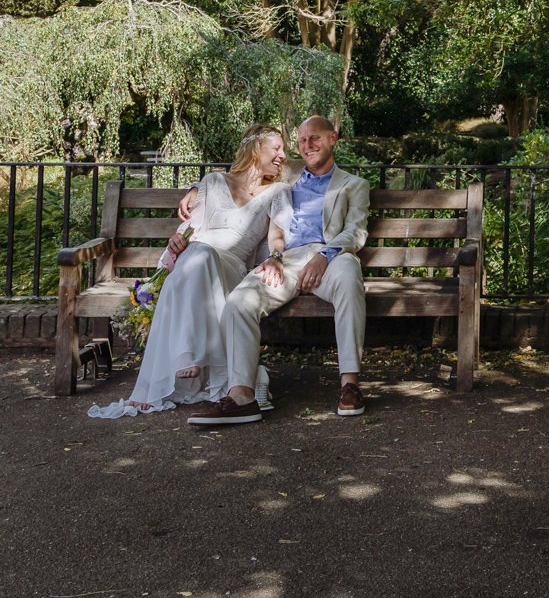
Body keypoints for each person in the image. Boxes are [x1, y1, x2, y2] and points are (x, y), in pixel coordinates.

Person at [88, 125, 289, 419]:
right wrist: (177, 240)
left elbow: (277, 235)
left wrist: (276, 257)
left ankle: (187, 355)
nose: (283, 155)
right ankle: (194, 357)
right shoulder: (212, 181)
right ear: (256, 149)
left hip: (229, 269)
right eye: (277, 149)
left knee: (201, 254)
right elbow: (190, 229)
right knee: (197, 251)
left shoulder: (278, 192)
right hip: (195, 261)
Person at [185, 115, 371, 425]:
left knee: (350, 277)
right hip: (286, 259)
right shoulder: (289, 173)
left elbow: (356, 231)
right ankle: (241, 396)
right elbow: (243, 172)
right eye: (301, 141)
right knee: (238, 303)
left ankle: (350, 385)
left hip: (332, 256)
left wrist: (325, 255)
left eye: (315, 138)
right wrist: (195, 188)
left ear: (333, 139)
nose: (307, 145)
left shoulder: (354, 185)